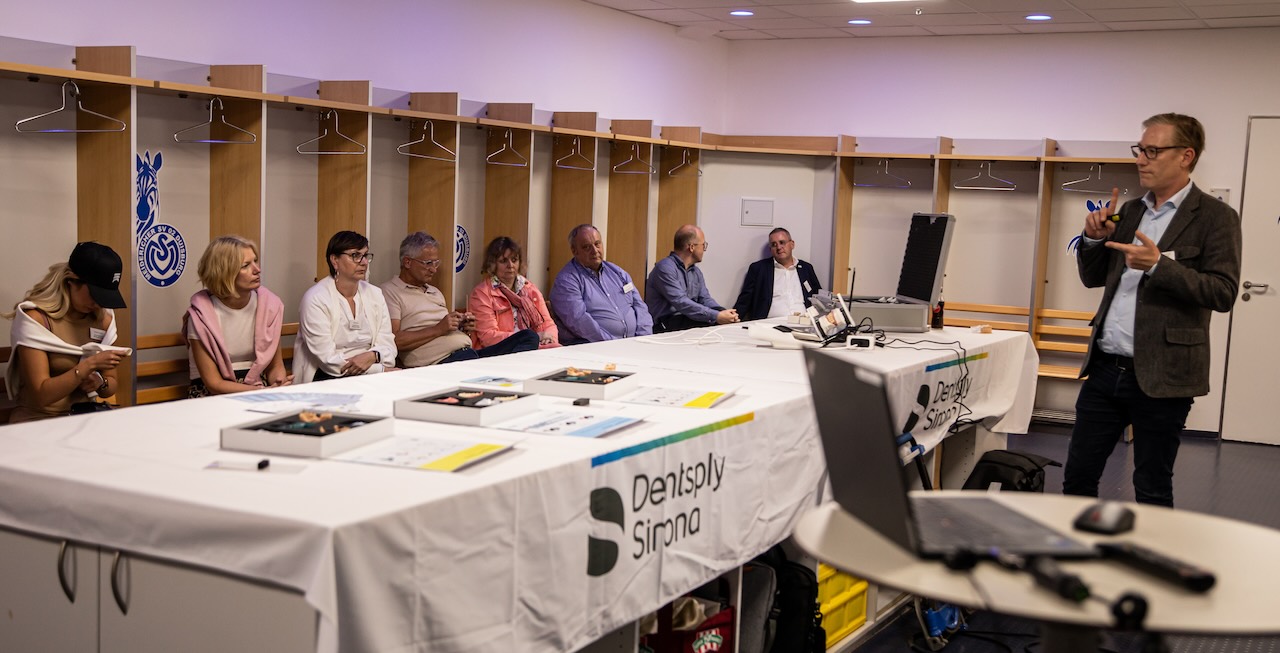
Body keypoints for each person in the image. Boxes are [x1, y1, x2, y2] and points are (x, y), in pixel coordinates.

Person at [1062, 113, 1242, 508]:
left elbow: (1223, 292)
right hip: (1106, 369)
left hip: (1166, 374)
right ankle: (1077, 557)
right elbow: (1095, 280)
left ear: (1185, 156)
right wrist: (1092, 240)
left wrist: (1160, 266)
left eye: (1152, 151)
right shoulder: (1128, 213)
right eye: (1139, 150)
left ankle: (1145, 565)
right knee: (1077, 476)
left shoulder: (1216, 218)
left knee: (1152, 486)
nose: (1141, 159)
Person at [4, 242, 129, 423]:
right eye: (95, 294)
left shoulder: (103, 320)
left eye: (105, 297)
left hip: (83, 418)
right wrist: (87, 367)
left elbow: (111, 385)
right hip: (38, 419)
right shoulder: (36, 320)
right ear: (71, 281)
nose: (98, 303)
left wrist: (101, 383)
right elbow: (41, 396)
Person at [381, 232, 535, 366]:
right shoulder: (390, 292)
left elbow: (445, 329)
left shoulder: (434, 292)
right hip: (441, 362)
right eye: (428, 263)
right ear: (407, 262)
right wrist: (439, 329)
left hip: (467, 354)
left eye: (436, 263)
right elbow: (393, 341)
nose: (434, 269)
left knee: (528, 337)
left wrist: (462, 327)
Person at [183, 236, 289, 397]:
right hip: (212, 397)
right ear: (224, 272)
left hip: (259, 389)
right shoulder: (200, 316)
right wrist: (262, 392)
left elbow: (275, 366)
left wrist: (279, 384)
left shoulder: (270, 306)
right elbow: (214, 384)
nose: (257, 269)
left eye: (255, 261)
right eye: (246, 265)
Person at [293, 231, 397, 383]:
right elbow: (328, 361)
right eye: (355, 255)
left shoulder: (375, 294)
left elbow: (389, 348)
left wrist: (372, 356)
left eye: (365, 255)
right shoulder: (315, 299)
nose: (363, 262)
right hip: (326, 377)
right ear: (334, 260)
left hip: (371, 373)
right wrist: (379, 369)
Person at [549, 224, 652, 342]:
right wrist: (613, 344)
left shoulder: (618, 273)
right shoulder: (566, 281)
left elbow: (640, 306)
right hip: (595, 347)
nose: (595, 251)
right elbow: (579, 321)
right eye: (587, 247)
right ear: (574, 251)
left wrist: (644, 338)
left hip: (634, 344)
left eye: (597, 244)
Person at [467, 237, 557, 350]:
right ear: (493, 264)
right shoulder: (481, 294)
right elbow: (488, 337)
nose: (510, 265)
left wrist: (549, 338)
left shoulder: (529, 288)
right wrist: (530, 338)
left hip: (536, 347)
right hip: (501, 352)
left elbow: (548, 324)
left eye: (514, 260)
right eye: (503, 261)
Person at [646, 224, 738, 333]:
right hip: (665, 325)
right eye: (703, 245)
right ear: (692, 247)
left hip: (686, 320)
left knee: (719, 325)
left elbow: (705, 299)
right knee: (711, 322)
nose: (704, 249)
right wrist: (716, 316)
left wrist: (723, 312)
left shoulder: (695, 272)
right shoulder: (665, 268)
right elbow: (681, 302)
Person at [732, 227, 822, 321]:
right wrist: (731, 320)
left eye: (782, 242)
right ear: (770, 249)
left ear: (792, 244)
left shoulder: (806, 268)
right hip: (770, 324)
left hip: (803, 322)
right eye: (774, 245)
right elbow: (744, 302)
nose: (779, 247)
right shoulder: (758, 269)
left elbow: (818, 297)